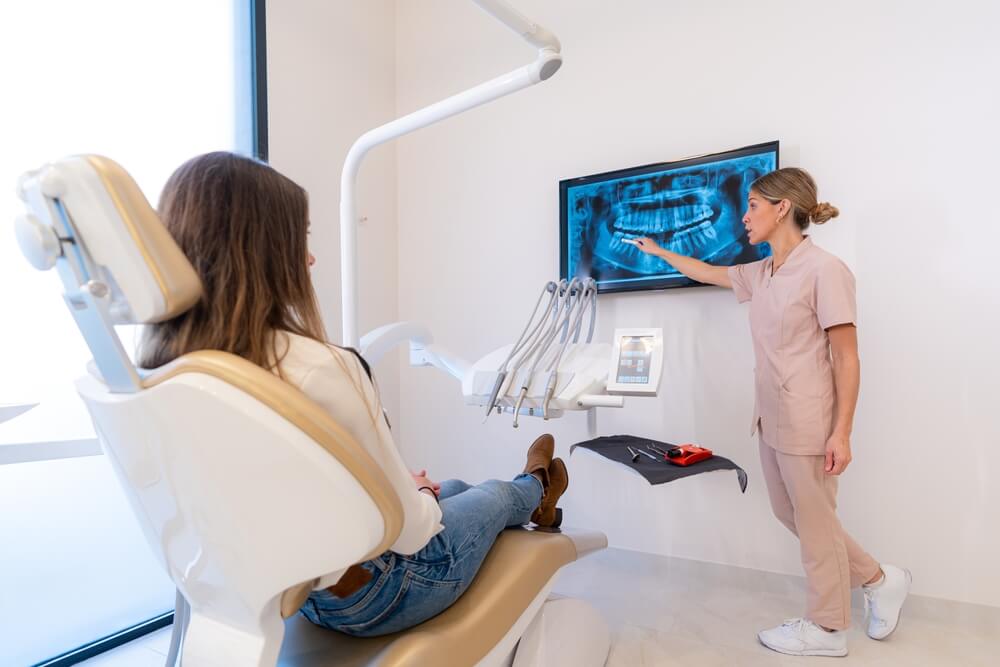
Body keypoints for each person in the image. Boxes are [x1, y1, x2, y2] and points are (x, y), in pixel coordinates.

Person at [138, 151, 569, 637]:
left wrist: (414, 491)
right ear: (263, 249)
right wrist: (416, 495)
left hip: (280, 592)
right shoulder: (321, 366)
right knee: (485, 493)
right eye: (299, 240)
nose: (311, 258)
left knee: (456, 490)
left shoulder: (164, 375)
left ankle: (527, 501)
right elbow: (408, 531)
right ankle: (536, 485)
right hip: (381, 590)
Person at [632, 167, 910, 657]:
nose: (744, 216)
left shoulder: (825, 270)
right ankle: (879, 579)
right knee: (793, 513)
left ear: (783, 208)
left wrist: (842, 432)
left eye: (754, 206)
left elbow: (846, 356)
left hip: (809, 416)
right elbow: (708, 272)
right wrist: (657, 253)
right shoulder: (762, 272)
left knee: (815, 521)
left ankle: (827, 630)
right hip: (770, 415)